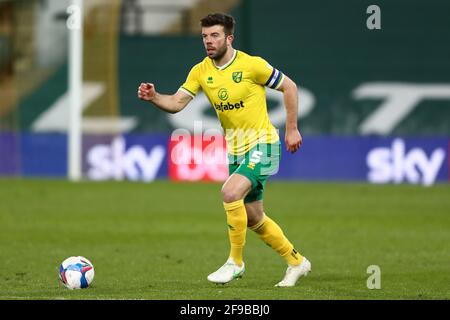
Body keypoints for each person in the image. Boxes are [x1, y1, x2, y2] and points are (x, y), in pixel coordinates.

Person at [138, 12, 311, 287]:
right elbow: (177, 102)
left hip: (264, 144)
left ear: (229, 38)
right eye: (205, 36)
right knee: (253, 217)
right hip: (236, 151)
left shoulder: (252, 65)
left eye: (215, 35)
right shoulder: (200, 71)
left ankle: (235, 263)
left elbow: (289, 87)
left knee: (230, 192)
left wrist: (291, 128)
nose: (209, 41)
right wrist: (154, 97)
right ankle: (297, 262)